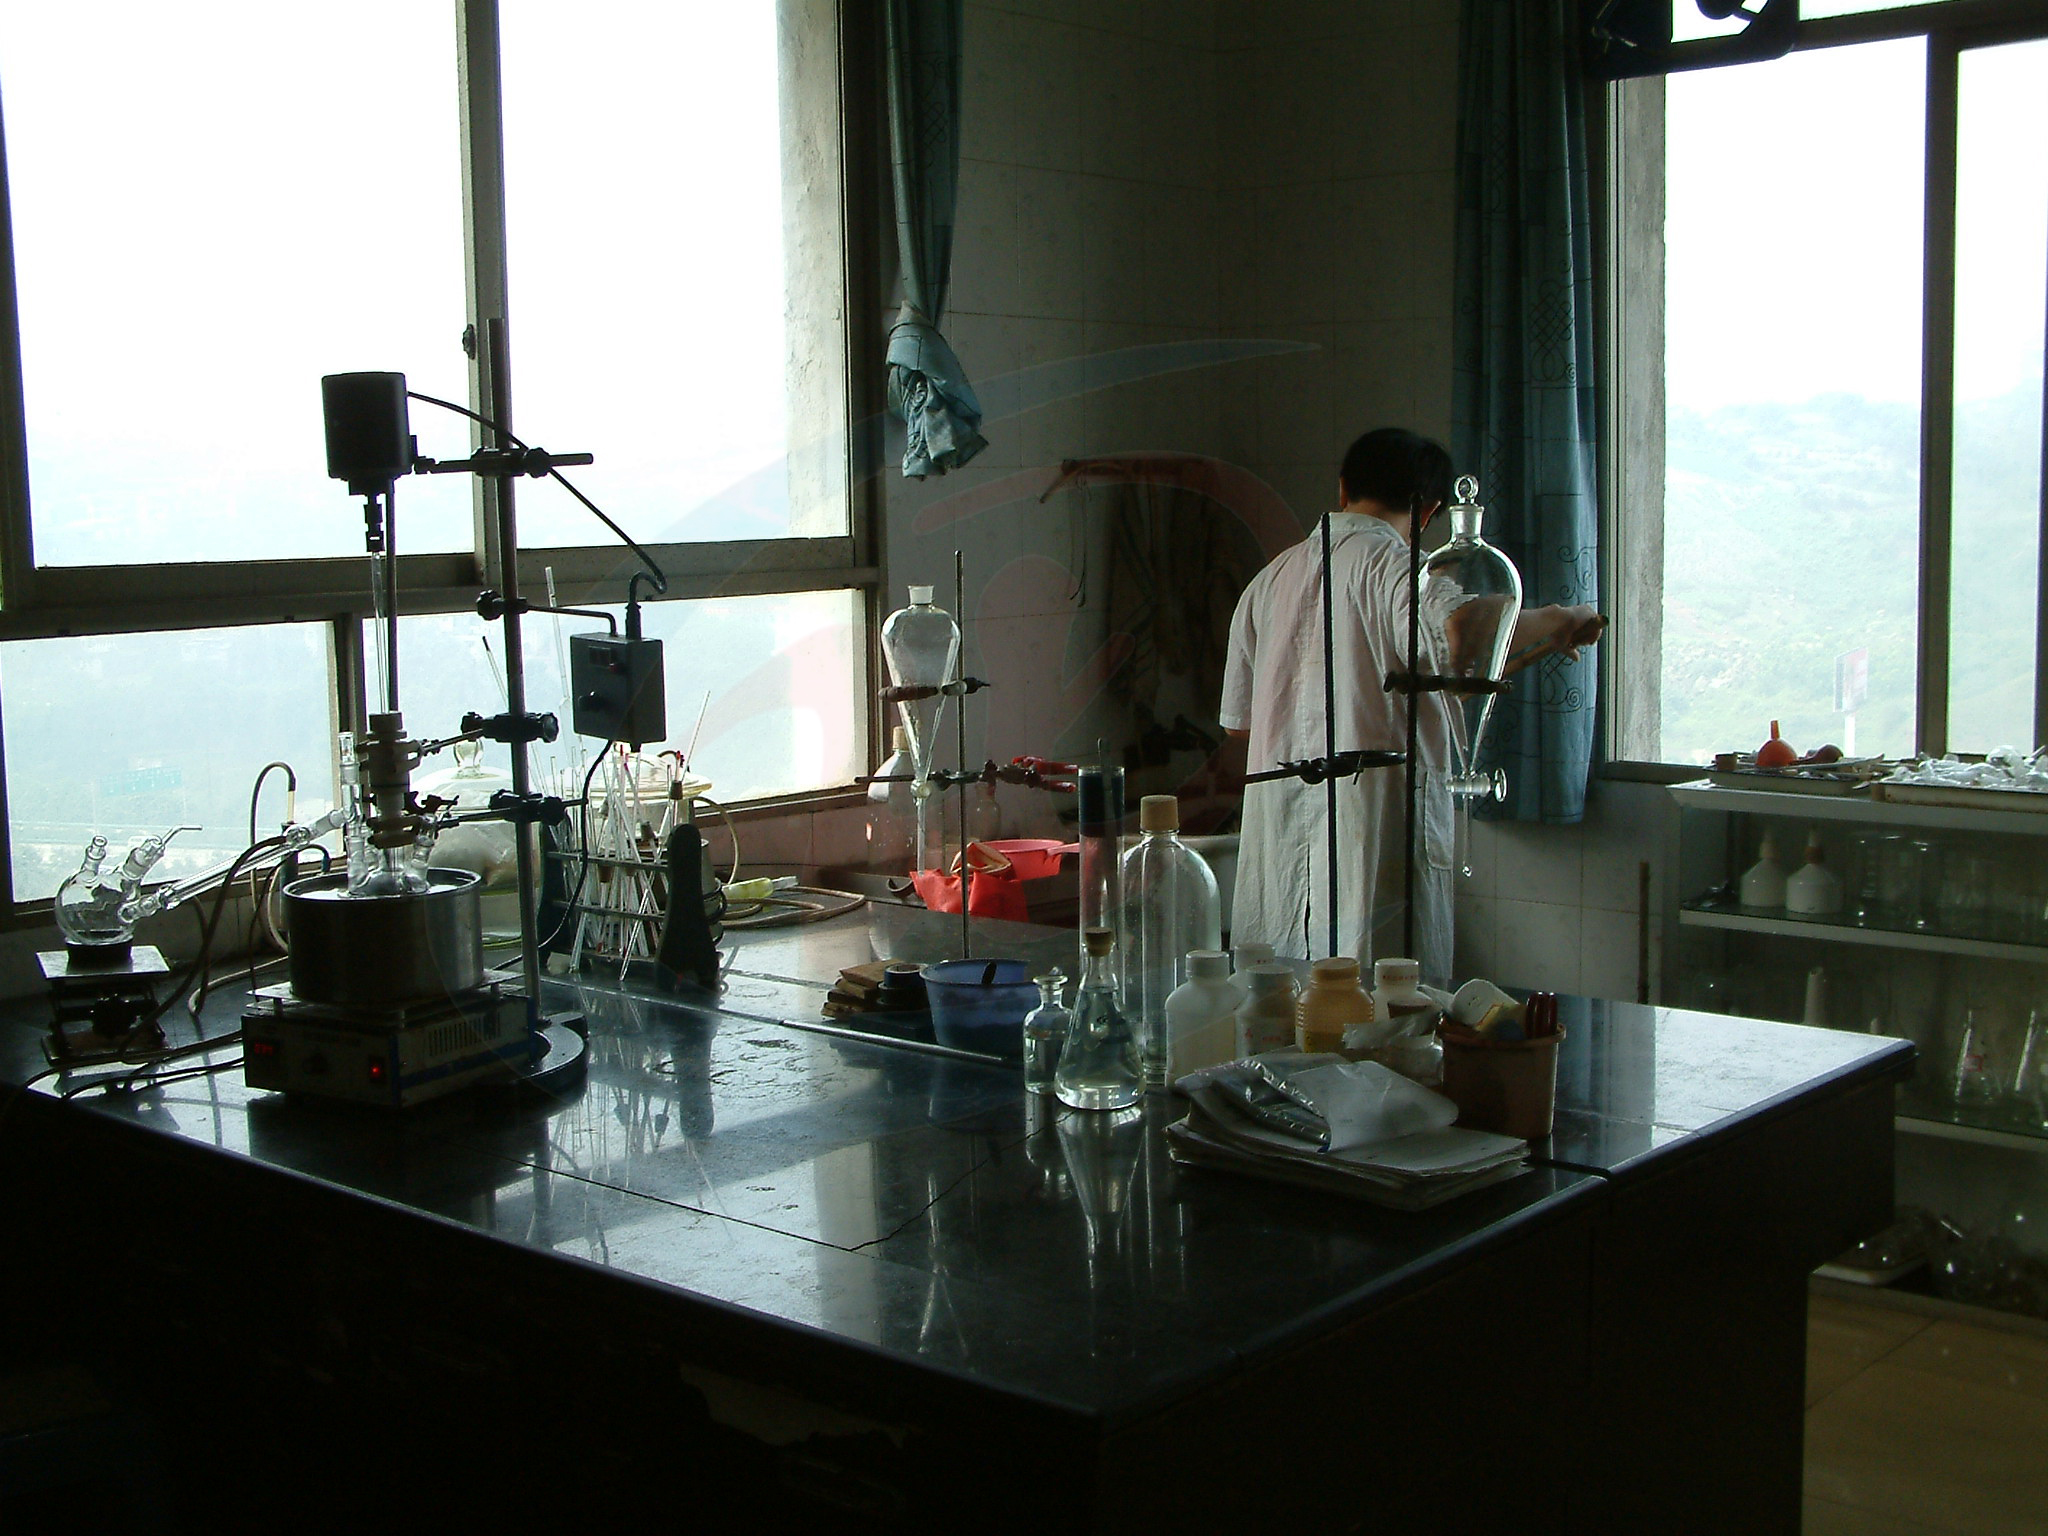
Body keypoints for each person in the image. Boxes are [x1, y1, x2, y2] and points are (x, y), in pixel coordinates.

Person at [1219, 428, 1603, 983]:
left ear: (1343, 488)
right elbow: (1463, 631)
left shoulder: (1269, 580)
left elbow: (1242, 727)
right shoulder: (1397, 567)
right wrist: (1562, 617)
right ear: (1429, 511)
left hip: (1280, 848)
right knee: (1383, 1008)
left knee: (1282, 1006)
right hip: (1372, 840)